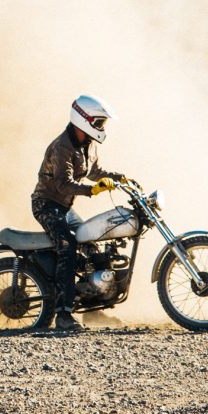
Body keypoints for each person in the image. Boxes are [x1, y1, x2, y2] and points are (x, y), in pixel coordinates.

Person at [30, 95, 131, 333]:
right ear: (83, 119)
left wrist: (118, 178)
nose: (102, 128)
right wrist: (91, 190)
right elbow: (63, 184)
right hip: (46, 204)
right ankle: (63, 314)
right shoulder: (62, 147)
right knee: (68, 246)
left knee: (92, 245)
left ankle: (93, 311)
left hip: (63, 207)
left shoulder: (87, 144)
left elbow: (95, 171)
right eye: (99, 122)